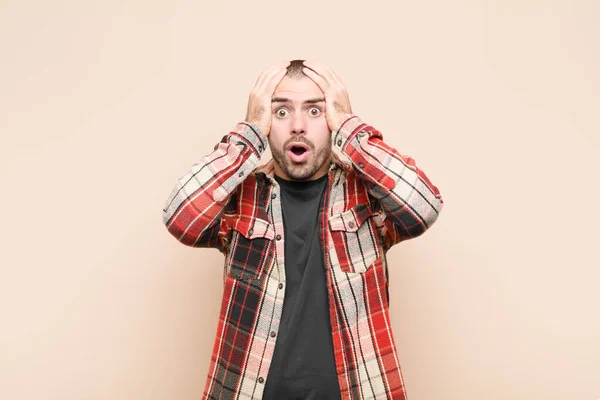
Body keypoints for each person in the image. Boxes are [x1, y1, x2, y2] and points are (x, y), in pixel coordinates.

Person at [162, 59, 444, 400]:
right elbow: (179, 216)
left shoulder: (367, 194)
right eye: (281, 113)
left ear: (332, 120)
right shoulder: (240, 196)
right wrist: (247, 135)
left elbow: (425, 205)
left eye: (315, 111)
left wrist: (352, 129)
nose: (298, 126)